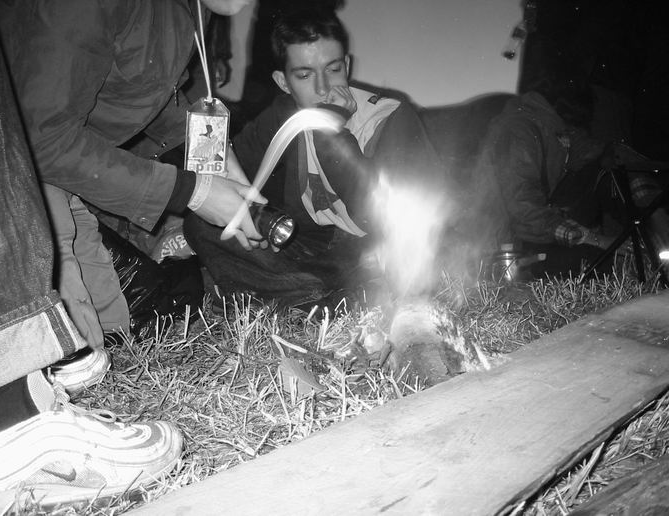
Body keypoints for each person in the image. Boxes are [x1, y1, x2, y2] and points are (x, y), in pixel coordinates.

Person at [0, 0, 265, 379]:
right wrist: (192, 192)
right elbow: (43, 137)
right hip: (5, 168)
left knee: (113, 327)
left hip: (58, 163)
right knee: (64, 339)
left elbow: (153, 86)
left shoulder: (193, 8)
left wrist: (219, 160)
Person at [0, 8, 182, 511]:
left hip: (71, 153)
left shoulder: (189, 19)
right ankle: (12, 416)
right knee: (54, 235)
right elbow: (44, 128)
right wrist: (189, 191)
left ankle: (99, 347)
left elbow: (179, 109)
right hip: (42, 151)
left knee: (78, 233)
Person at [184, 7, 453, 306]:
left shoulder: (390, 118)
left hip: (378, 251)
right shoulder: (283, 115)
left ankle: (318, 297)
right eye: (304, 75)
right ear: (283, 82)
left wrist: (331, 134)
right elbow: (228, 168)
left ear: (346, 66)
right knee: (202, 222)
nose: (323, 88)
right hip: (315, 249)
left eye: (333, 70)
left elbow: (383, 219)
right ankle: (313, 295)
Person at [470, 78, 637, 278]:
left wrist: (611, 153)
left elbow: (585, 152)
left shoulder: (552, 125)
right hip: (508, 246)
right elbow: (524, 210)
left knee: (609, 173)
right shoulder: (519, 131)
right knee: (595, 262)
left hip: (536, 232)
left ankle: (650, 240)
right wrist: (597, 240)